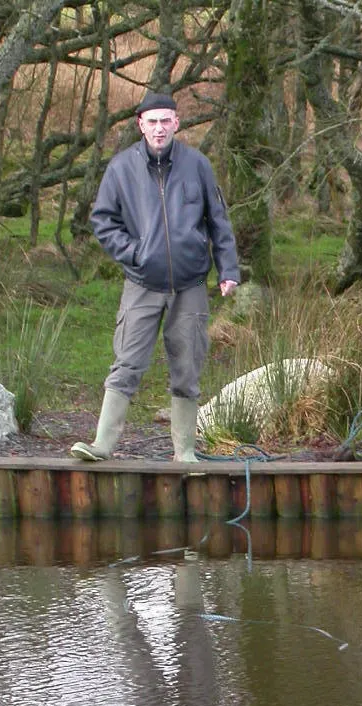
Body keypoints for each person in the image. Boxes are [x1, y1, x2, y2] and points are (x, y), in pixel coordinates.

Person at [71, 91, 240, 464]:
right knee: (127, 363)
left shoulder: (198, 165)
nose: (159, 128)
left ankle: (185, 452)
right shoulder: (120, 168)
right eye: (152, 122)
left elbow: (218, 222)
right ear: (140, 126)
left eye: (166, 121)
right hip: (142, 283)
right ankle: (101, 446)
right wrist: (134, 253)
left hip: (191, 284)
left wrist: (228, 270)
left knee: (187, 366)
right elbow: (103, 221)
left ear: (177, 123)